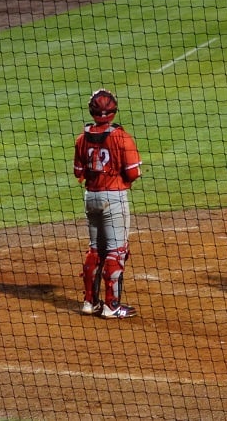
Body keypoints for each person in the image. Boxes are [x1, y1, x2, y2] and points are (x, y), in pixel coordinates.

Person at [74, 89, 142, 319]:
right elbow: (133, 173)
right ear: (113, 111)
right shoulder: (121, 137)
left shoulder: (81, 138)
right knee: (116, 251)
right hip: (114, 198)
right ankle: (112, 306)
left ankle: (89, 302)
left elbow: (79, 172)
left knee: (95, 248)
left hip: (91, 198)